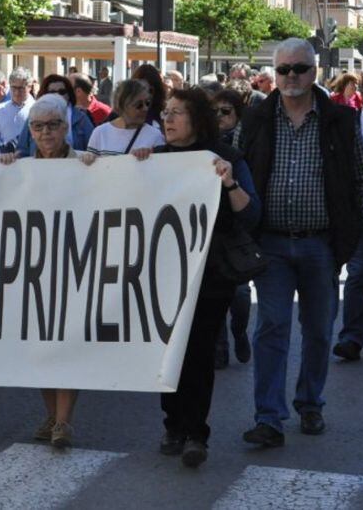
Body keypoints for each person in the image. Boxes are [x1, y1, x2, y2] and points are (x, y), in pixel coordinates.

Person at [235, 38, 363, 447]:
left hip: (321, 246)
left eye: (299, 69)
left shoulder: (340, 121)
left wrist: (344, 236)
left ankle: (310, 402)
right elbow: (233, 166)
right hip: (272, 244)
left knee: (317, 330)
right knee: (272, 327)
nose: (291, 77)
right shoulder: (257, 118)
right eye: (283, 70)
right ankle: (268, 417)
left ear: (314, 71)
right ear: (274, 74)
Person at [144, 89, 261, 468]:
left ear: (197, 118)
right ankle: (172, 424)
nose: (168, 119)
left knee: (197, 351)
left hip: (211, 271)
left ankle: (196, 433)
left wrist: (228, 183)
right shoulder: (155, 158)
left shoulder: (224, 157)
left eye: (177, 113)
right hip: (164, 272)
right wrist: (130, 170)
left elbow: (250, 213)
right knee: (167, 350)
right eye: (165, 113)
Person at [0, 94, 97, 448]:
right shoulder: (20, 166)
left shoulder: (85, 163)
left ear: (66, 128)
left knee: (66, 344)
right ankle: (52, 415)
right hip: (32, 267)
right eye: (37, 126)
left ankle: (64, 422)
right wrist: (2, 163)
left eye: (53, 125)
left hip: (73, 265)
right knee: (39, 346)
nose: (45, 132)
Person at [333, 69, 363, 360]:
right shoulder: (348, 127)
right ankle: (351, 338)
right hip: (360, 217)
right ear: (362, 93)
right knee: (357, 276)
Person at [210, 87, 252, 369]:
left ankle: (239, 330)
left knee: (239, 294)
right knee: (216, 294)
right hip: (212, 228)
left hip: (237, 230)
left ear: (237, 115)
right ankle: (220, 346)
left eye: (226, 112)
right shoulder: (204, 143)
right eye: (214, 112)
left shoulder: (246, 143)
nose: (220, 117)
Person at [11, 74, 94, 156]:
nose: (58, 95)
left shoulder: (81, 118)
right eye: (52, 92)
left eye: (62, 92)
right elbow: (21, 150)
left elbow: (94, 150)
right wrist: (8, 158)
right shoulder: (34, 117)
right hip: (38, 168)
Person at [86, 80, 165, 156]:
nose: (145, 108)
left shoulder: (155, 136)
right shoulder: (100, 133)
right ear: (122, 106)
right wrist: (87, 158)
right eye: (139, 105)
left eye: (147, 103)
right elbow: (90, 167)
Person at [0, 68, 35, 150]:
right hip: (4, 159)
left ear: (29, 86)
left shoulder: (38, 108)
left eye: (21, 88)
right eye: (14, 88)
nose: (17, 92)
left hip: (30, 159)